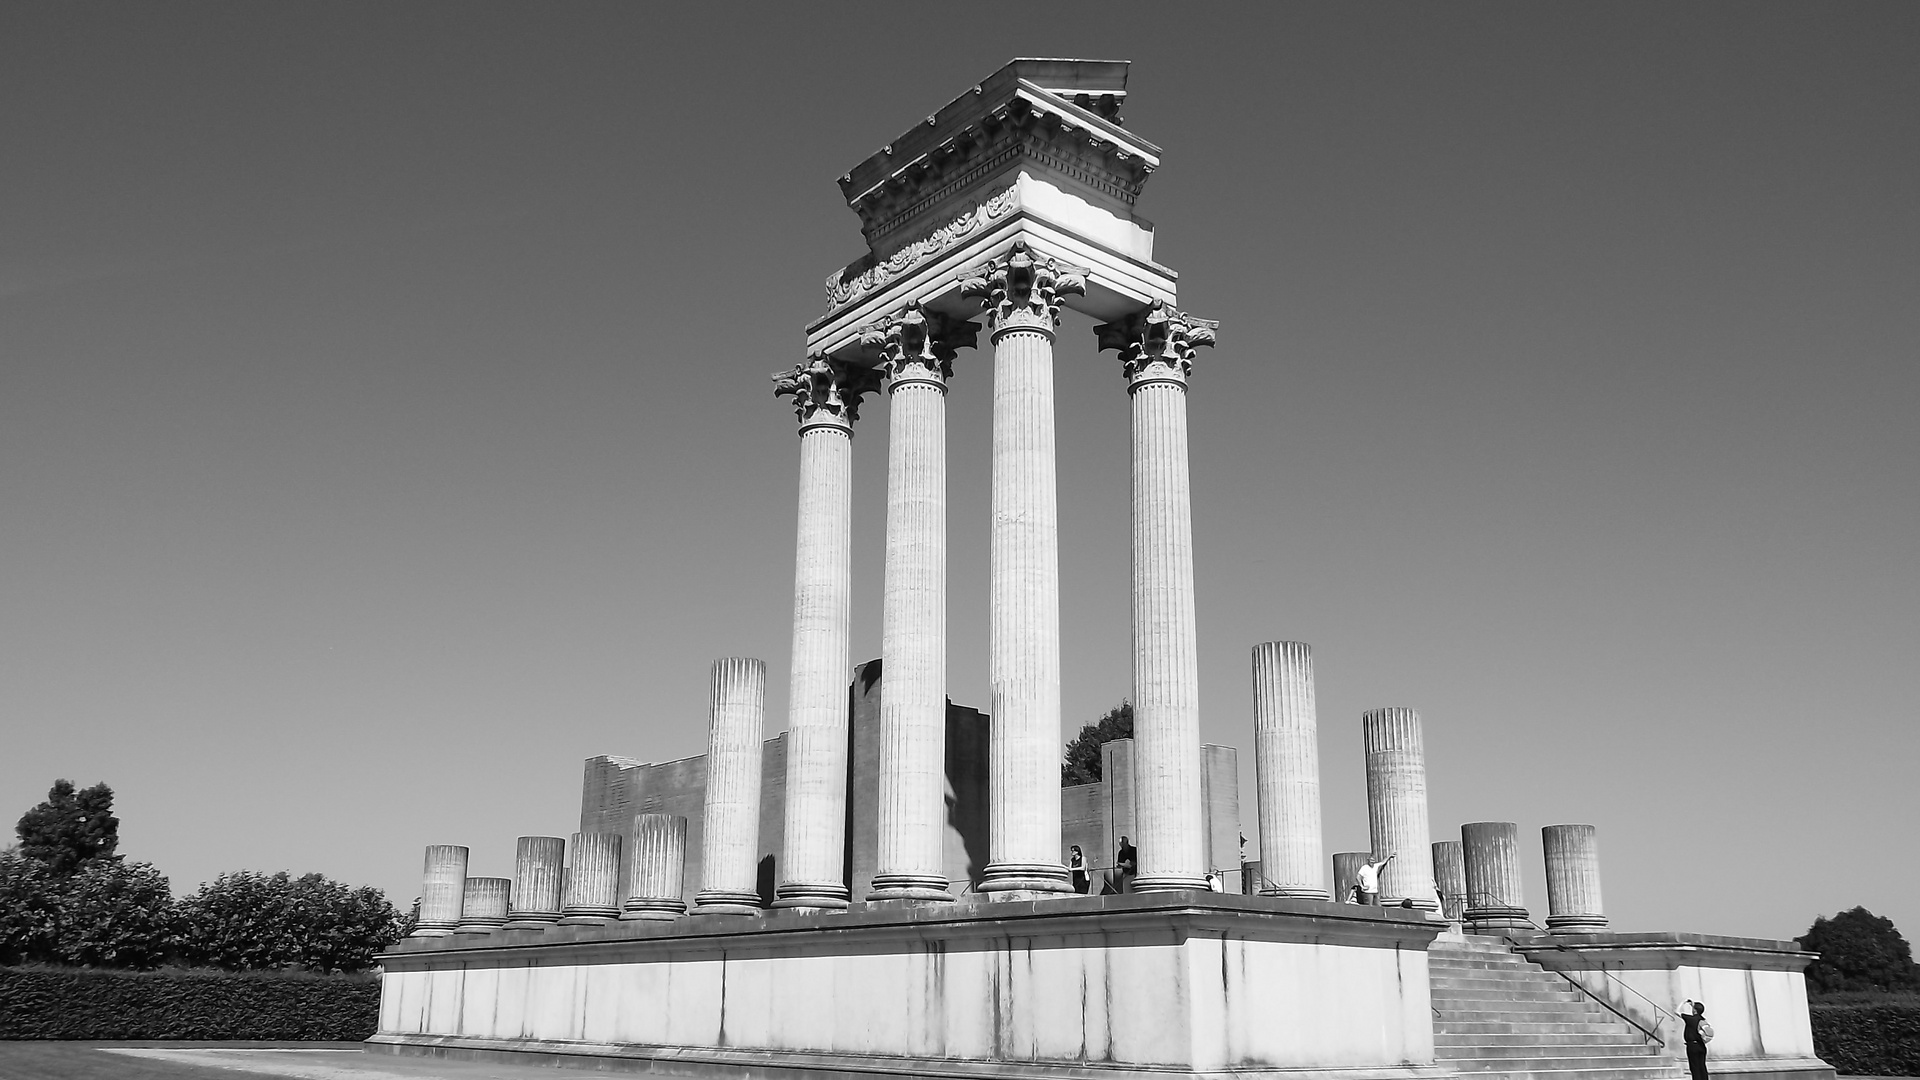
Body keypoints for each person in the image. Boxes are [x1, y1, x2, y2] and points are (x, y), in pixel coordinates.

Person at [1678, 999, 1712, 1080]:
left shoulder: (1690, 1019)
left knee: (1695, 1068)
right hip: (1702, 1046)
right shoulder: (1703, 1020)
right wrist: (1693, 1005)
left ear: (1694, 1010)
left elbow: (1677, 1012)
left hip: (1692, 1046)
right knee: (1702, 1067)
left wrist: (1683, 1003)